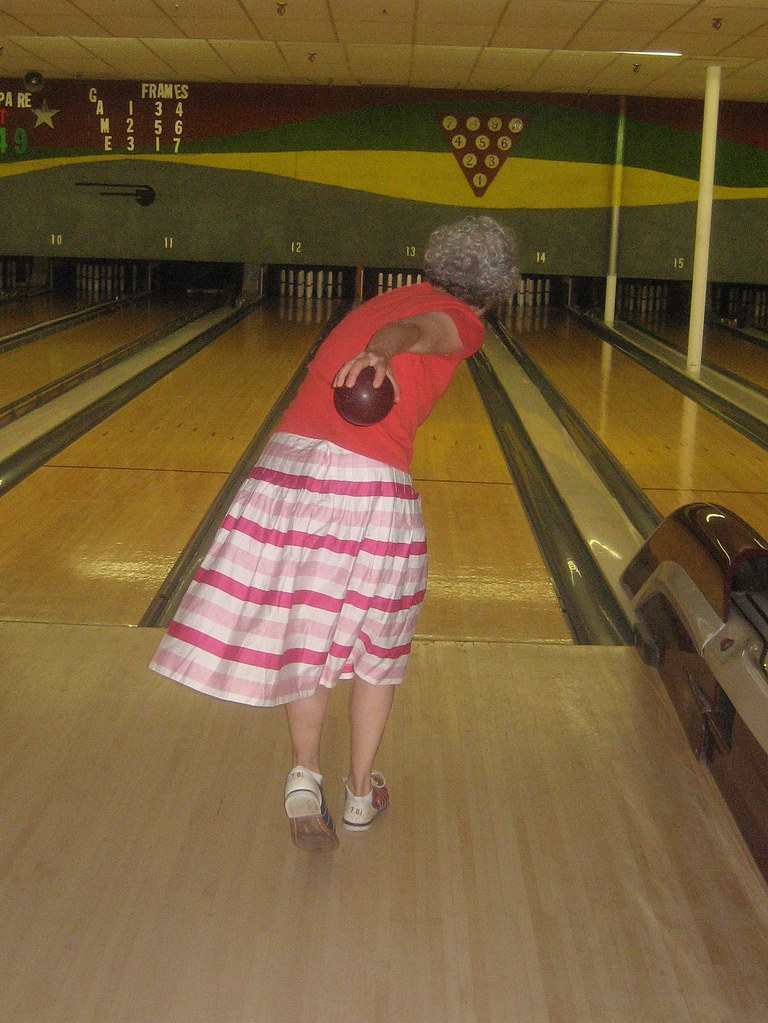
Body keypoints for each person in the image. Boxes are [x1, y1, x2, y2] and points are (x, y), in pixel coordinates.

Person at [149, 215, 520, 851]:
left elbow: (400, 321)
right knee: (378, 642)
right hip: (362, 486)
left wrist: (377, 341)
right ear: (499, 288)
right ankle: (359, 794)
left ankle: (304, 775)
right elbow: (418, 331)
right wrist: (382, 352)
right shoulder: (462, 322)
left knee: (310, 628)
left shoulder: (382, 298)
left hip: (285, 473)